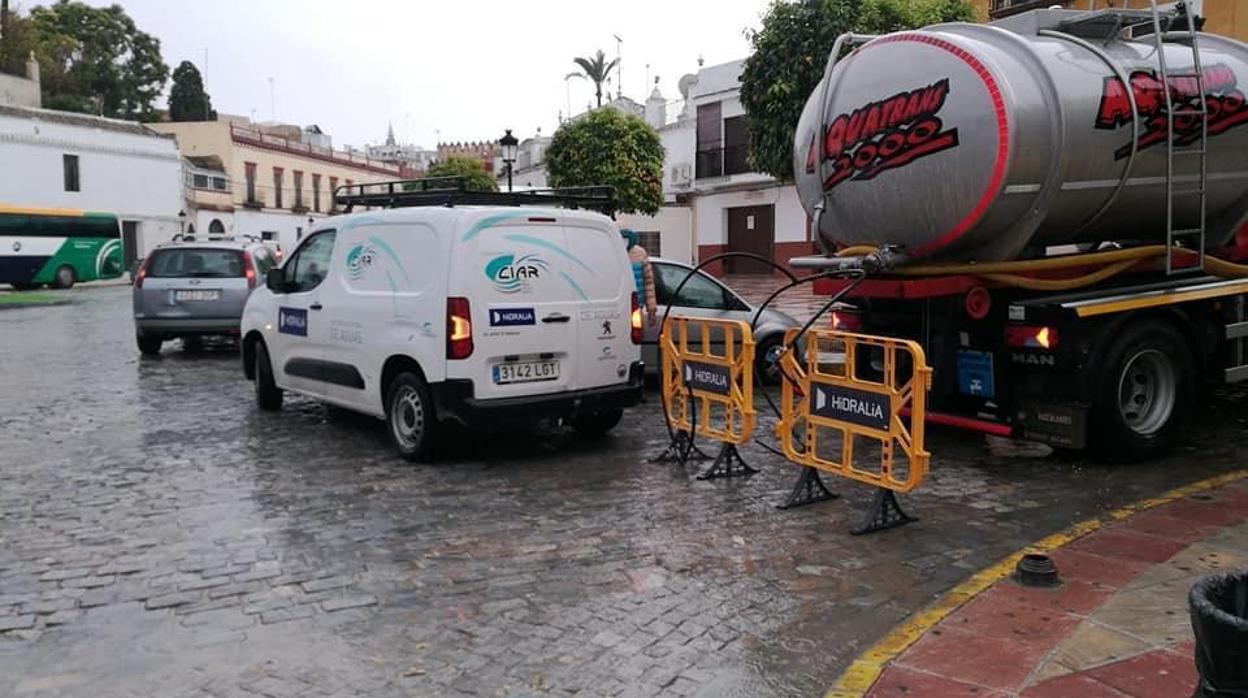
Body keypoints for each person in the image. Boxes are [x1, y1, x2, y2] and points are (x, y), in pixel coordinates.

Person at [620, 228, 657, 326]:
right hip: (617, 308)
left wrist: (651, 309)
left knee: (635, 335)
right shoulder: (611, 252)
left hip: (636, 307)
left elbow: (649, 283)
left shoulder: (640, 253)